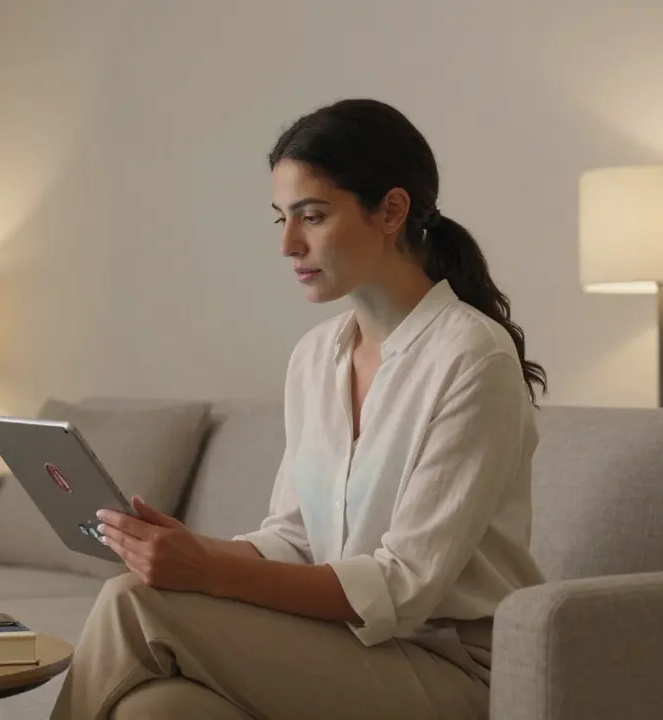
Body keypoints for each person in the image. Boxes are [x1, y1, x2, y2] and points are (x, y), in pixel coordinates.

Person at [50, 98, 548, 720]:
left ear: (391, 210)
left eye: (312, 216)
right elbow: (292, 537)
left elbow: (402, 585)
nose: (288, 244)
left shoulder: (473, 358)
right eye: (281, 218)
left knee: (133, 604)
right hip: (345, 651)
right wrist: (195, 549)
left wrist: (207, 572)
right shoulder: (316, 356)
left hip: (454, 668)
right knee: (155, 709)